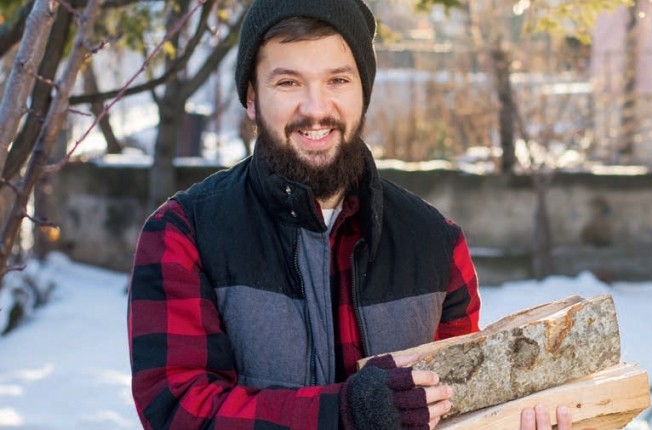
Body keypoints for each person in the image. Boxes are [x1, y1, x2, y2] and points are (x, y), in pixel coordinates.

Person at [127, 0, 571, 428]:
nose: (316, 109)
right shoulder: (185, 234)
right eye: (288, 83)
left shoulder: (436, 243)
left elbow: (458, 411)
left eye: (337, 80)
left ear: (364, 92)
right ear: (251, 98)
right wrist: (342, 414)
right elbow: (178, 410)